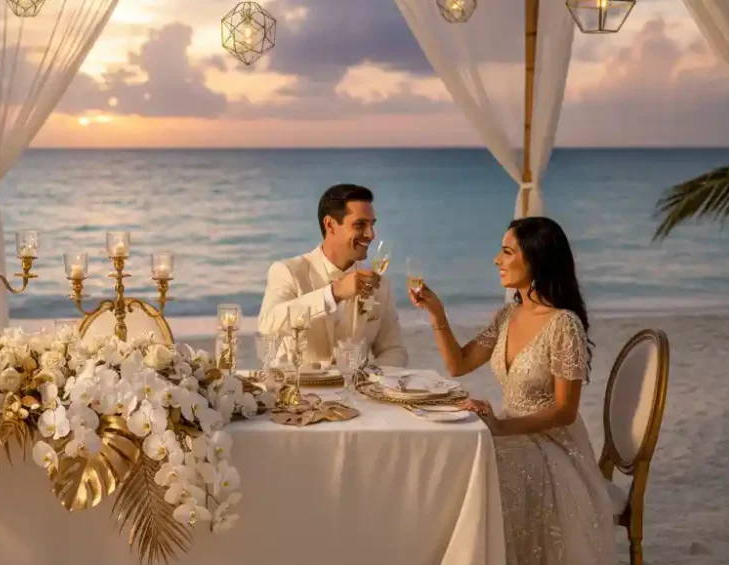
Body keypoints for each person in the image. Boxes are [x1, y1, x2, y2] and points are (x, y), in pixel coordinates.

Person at [409, 216, 614, 565]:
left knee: (481, 471)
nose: (496, 260)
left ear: (535, 259)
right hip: (508, 432)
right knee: (457, 459)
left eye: (506, 252)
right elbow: (459, 363)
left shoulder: (564, 325)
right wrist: (435, 312)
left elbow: (565, 410)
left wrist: (501, 427)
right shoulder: (509, 314)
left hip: (551, 444)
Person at [259, 183, 408, 367]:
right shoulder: (289, 271)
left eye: (372, 224)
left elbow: (393, 349)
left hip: (356, 393)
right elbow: (267, 324)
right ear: (330, 225)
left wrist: (370, 377)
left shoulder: (380, 285)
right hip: (299, 391)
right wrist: (333, 293)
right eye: (360, 224)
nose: (371, 234)